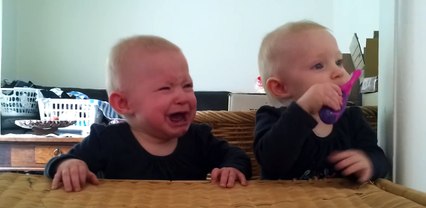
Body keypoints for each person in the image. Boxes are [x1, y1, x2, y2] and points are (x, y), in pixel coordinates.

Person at [44, 35, 252, 192]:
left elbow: (237, 156)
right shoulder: (106, 140)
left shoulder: (199, 138)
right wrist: (69, 164)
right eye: (165, 88)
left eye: (187, 86)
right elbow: (57, 164)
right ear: (124, 103)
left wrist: (231, 168)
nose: (183, 97)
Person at [254, 20, 390, 182]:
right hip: (285, 205)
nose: (338, 72)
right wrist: (304, 108)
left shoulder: (352, 119)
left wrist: (369, 163)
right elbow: (272, 162)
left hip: (340, 204)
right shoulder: (270, 117)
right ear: (280, 87)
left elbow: (379, 157)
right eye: (318, 65)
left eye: (339, 62)